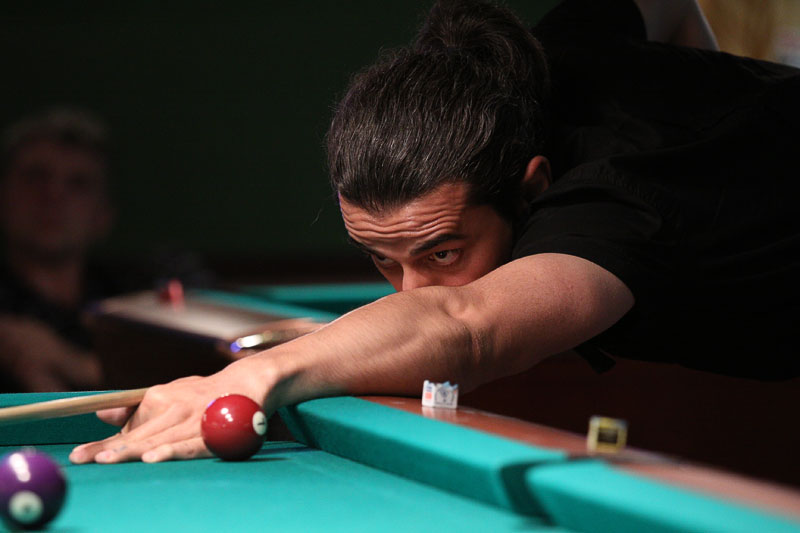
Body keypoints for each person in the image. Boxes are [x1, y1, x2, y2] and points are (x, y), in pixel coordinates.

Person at [70, 0, 799, 464]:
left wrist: (248, 378)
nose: (410, 291)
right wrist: (709, 96)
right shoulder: (527, 69)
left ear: (533, 188)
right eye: (382, 259)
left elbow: (464, 325)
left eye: (442, 252)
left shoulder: (617, 200)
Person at [0, 109, 116, 392]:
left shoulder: (132, 300)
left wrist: (70, 362)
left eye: (78, 184)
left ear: (103, 215)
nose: (52, 195)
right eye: (35, 177)